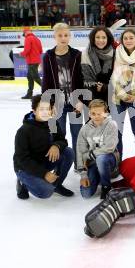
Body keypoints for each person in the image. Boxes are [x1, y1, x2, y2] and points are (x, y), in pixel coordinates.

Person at [14, 95, 74, 199]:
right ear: (34, 111)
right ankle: (22, 182)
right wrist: (44, 174)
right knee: (45, 192)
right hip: (25, 168)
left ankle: (57, 185)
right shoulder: (24, 131)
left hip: (44, 161)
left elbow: (63, 141)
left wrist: (56, 146)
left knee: (68, 153)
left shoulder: (53, 123)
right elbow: (22, 159)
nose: (45, 112)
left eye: (48, 109)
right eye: (41, 109)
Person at [42, 23, 84, 163]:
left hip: (74, 103)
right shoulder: (48, 56)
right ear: (54, 36)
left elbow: (81, 79)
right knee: (59, 136)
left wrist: (80, 100)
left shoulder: (77, 55)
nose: (63, 38)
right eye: (60, 35)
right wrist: (50, 103)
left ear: (70, 36)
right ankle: (59, 165)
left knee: (77, 134)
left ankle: (79, 164)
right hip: (57, 104)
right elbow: (46, 82)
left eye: (66, 35)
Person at [111, 29, 135, 157]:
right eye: (125, 38)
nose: (128, 40)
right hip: (118, 97)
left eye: (131, 38)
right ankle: (117, 162)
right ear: (122, 40)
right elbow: (114, 76)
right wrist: (122, 94)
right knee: (117, 132)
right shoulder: (116, 53)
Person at [77, 99, 119, 199]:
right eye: (93, 113)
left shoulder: (111, 125)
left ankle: (106, 186)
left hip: (109, 160)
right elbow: (80, 151)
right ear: (89, 114)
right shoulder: (84, 129)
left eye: (99, 114)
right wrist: (83, 175)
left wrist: (88, 155)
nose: (96, 116)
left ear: (105, 113)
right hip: (93, 163)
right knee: (86, 194)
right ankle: (98, 176)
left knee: (101, 159)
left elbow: (109, 147)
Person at [81, 26, 115, 103]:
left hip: (110, 99)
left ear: (108, 39)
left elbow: (117, 81)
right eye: (97, 37)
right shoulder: (84, 55)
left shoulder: (115, 55)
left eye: (104, 37)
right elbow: (82, 80)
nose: (100, 40)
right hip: (90, 99)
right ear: (93, 38)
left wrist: (104, 87)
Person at [20, 28, 43, 99]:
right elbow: (40, 50)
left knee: (36, 78)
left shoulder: (28, 38)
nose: (24, 35)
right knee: (30, 77)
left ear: (26, 32)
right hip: (36, 61)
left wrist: (22, 54)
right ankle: (29, 94)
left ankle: (48, 90)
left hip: (31, 61)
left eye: (24, 34)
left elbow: (27, 50)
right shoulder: (37, 39)